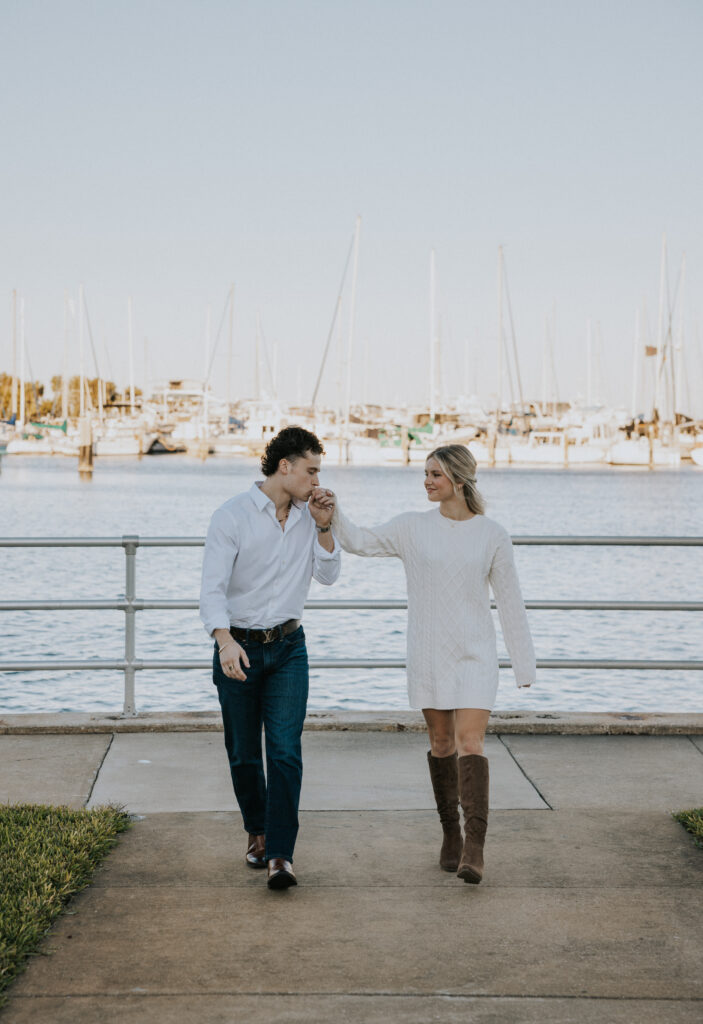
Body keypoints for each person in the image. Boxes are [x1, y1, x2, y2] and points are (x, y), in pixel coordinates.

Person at [321, 444, 535, 884]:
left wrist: (523, 666)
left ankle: (475, 848)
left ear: (458, 479)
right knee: (442, 744)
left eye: (435, 474)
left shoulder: (492, 534)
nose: (426, 481)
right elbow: (358, 540)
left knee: (470, 742)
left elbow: (510, 601)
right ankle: (450, 835)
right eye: (425, 473)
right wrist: (333, 509)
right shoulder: (411, 528)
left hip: (475, 654)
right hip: (429, 653)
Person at [199, 426, 340, 890]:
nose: (317, 482)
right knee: (243, 754)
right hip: (236, 646)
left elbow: (328, 576)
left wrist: (324, 527)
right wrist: (224, 641)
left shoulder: (310, 515)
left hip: (288, 648)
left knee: (284, 753)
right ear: (286, 466)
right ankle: (256, 832)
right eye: (312, 470)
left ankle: (281, 853)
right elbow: (212, 590)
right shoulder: (232, 515)